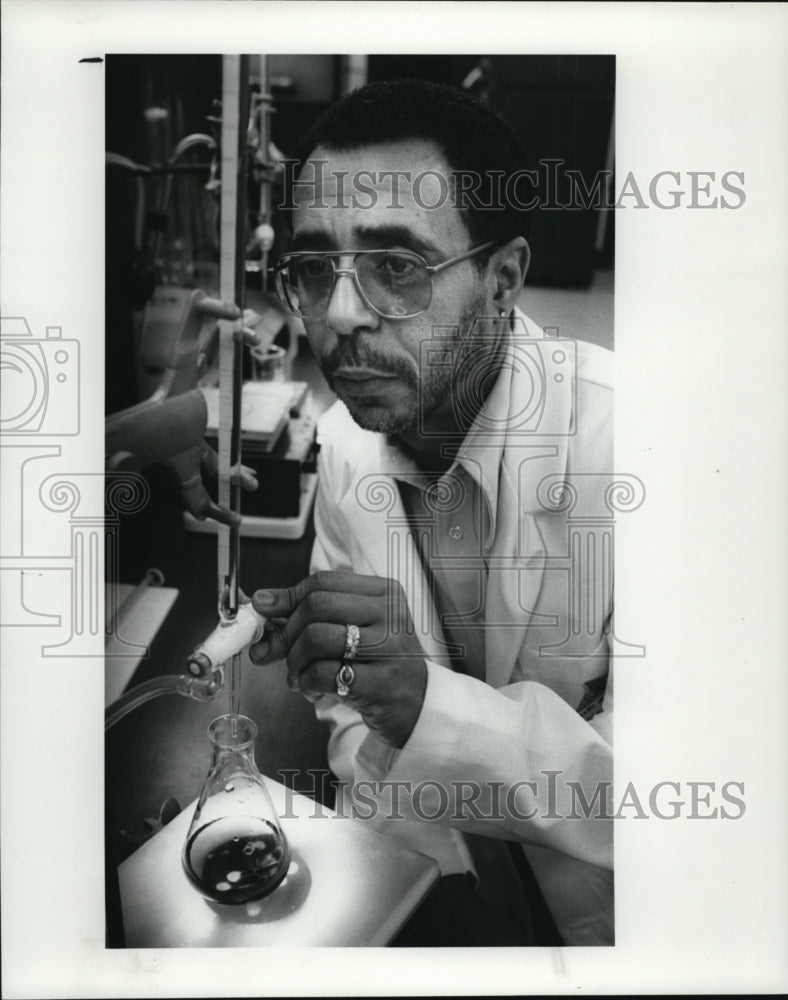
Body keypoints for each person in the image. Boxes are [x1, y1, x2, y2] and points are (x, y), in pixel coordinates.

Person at [249, 78, 614, 946]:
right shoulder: (345, 448)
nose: (337, 319)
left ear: (503, 281)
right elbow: (347, 716)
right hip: (428, 882)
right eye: (314, 268)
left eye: (397, 269)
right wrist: (424, 879)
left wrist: (422, 703)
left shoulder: (641, 449)